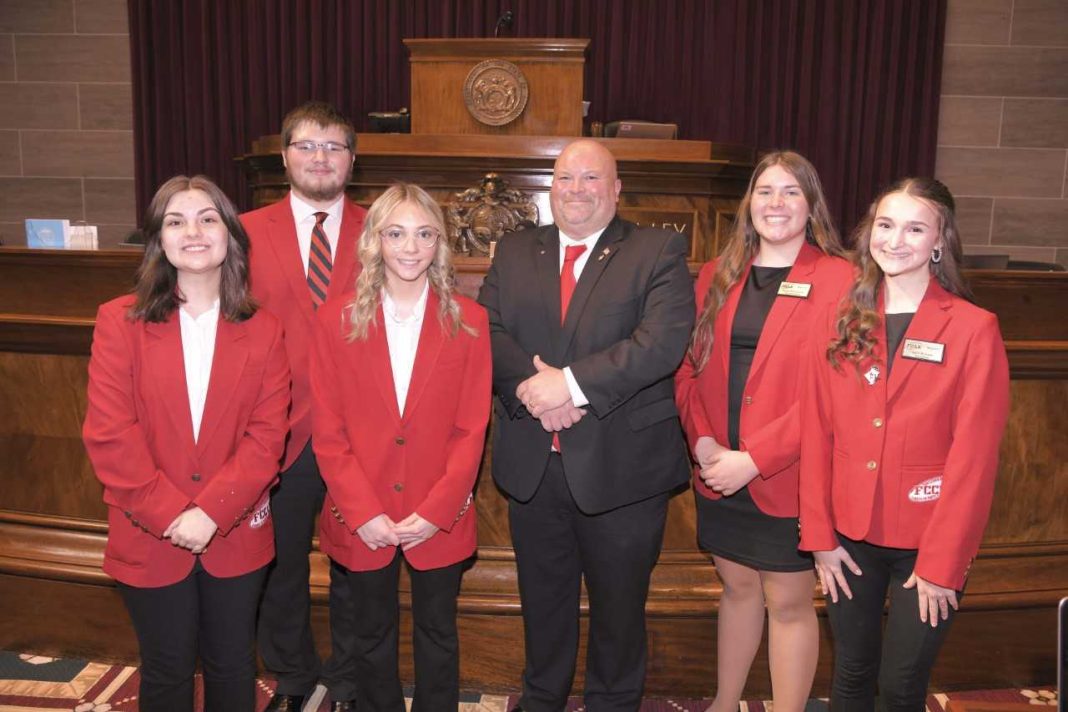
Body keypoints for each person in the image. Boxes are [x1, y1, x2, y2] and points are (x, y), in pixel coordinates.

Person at [478, 139, 695, 712]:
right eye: (566, 178)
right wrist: (538, 390)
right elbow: (487, 330)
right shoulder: (515, 250)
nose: (577, 190)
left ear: (616, 189)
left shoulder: (657, 250)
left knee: (619, 615)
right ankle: (541, 700)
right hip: (534, 466)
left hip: (623, 470)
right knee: (542, 607)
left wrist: (570, 386)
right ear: (552, 187)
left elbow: (660, 344)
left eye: (591, 178)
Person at [799, 178, 1010, 710]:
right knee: (850, 675)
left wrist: (943, 562)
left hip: (928, 538)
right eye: (886, 225)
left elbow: (974, 459)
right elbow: (817, 431)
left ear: (940, 240)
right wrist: (819, 534)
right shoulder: (840, 319)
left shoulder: (973, 329)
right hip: (849, 536)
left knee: (899, 687)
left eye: (915, 229)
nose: (895, 240)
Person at [82, 175, 290, 712]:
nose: (193, 232)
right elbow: (110, 433)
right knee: (167, 670)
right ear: (159, 238)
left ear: (230, 235)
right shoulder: (118, 321)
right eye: (176, 221)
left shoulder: (265, 328)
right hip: (147, 528)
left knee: (234, 665)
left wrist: (212, 512)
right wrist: (174, 514)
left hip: (236, 528)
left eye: (207, 219)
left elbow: (267, 436)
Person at [674, 151, 853, 711]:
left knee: (789, 603)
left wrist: (754, 459)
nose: (776, 203)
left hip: (788, 474)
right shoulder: (717, 274)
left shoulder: (841, 278)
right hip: (718, 469)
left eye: (791, 192)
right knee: (737, 588)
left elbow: (839, 391)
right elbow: (688, 369)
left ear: (812, 205)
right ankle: (724, 703)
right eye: (765, 191)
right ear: (748, 203)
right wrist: (703, 443)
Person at [311, 183, 491, 711]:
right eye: (396, 233)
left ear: (439, 243)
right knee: (369, 634)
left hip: (438, 512)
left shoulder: (469, 321)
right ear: (375, 241)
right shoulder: (336, 320)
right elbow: (328, 430)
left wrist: (437, 511)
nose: (410, 247)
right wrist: (363, 512)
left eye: (424, 234)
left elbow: (471, 429)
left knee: (438, 632)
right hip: (362, 511)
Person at [241, 101, 368, 711]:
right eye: (308, 145)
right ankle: (292, 674)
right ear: (285, 155)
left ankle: (349, 677)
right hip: (276, 428)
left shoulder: (385, 228)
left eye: (334, 146)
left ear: (352, 159)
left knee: (356, 562)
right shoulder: (240, 231)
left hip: (360, 430)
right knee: (279, 562)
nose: (321, 157)